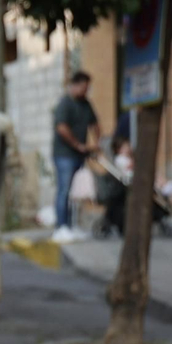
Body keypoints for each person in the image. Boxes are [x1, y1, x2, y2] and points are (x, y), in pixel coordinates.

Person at [52, 70, 100, 242]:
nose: (86, 91)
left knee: (74, 192)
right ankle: (61, 227)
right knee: (64, 190)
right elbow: (62, 128)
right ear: (75, 85)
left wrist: (96, 143)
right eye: (84, 88)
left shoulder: (86, 104)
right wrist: (78, 145)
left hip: (80, 155)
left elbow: (95, 124)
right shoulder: (65, 104)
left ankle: (71, 226)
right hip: (64, 155)